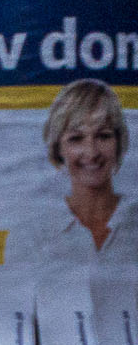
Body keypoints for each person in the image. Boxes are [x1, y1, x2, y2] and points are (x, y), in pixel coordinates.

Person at [43, 79, 135, 254]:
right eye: (76, 139)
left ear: (119, 142)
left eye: (103, 136)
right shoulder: (32, 233)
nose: (92, 152)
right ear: (58, 148)